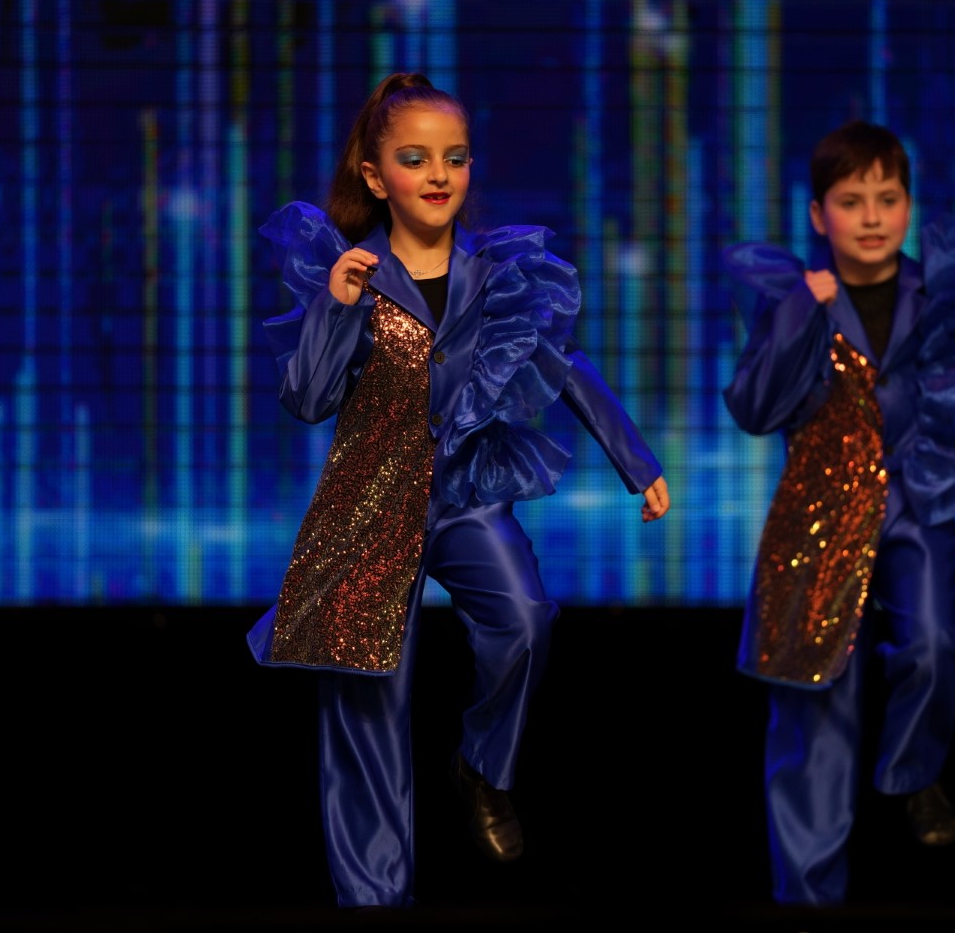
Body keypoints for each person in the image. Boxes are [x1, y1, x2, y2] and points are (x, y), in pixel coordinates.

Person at [247, 71, 670, 912]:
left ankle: (482, 767)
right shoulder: (351, 272)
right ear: (377, 177)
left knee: (525, 620)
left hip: (468, 491)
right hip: (370, 503)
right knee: (369, 697)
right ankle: (375, 898)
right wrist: (336, 308)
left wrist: (637, 461)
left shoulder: (500, 271)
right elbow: (308, 400)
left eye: (456, 157)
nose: (439, 175)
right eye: (415, 159)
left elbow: (564, 365)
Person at [720, 119, 955, 908]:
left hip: (916, 502)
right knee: (813, 704)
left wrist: (951, 456)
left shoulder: (944, 293)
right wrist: (799, 314)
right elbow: (754, 409)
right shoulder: (793, 296)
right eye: (852, 202)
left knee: (936, 645)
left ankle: (914, 773)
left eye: (888, 199)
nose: (874, 217)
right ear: (819, 214)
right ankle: (807, 897)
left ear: (909, 206)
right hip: (816, 514)